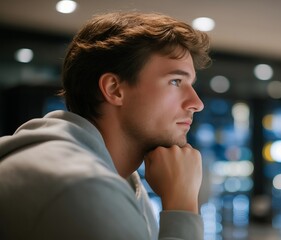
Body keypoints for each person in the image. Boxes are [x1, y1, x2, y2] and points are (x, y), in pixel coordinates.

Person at [0, 11, 211, 240]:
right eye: (175, 81)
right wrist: (182, 206)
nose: (196, 103)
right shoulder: (82, 186)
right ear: (114, 89)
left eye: (190, 83)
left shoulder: (123, 181)